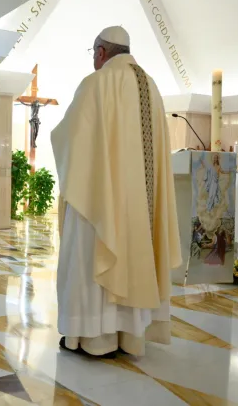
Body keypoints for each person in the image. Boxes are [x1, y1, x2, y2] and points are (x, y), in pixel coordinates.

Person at [51, 26, 182, 357]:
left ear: (100, 53)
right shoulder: (151, 88)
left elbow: (72, 139)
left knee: (90, 260)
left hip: (99, 203)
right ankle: (129, 336)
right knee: (137, 253)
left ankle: (94, 337)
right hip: (141, 207)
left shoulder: (96, 83)